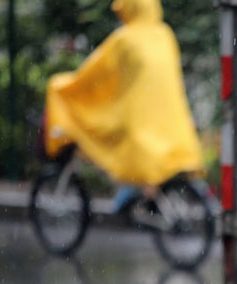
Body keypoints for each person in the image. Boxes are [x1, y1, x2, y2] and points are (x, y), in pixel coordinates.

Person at [44, 0, 203, 208]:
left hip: (138, 117)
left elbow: (94, 73)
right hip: (170, 118)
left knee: (114, 142)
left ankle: (131, 195)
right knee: (144, 157)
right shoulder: (165, 34)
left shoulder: (125, 39)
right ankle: (139, 196)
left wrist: (63, 85)